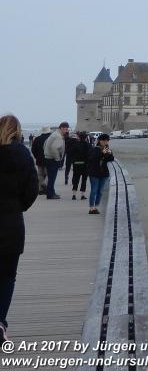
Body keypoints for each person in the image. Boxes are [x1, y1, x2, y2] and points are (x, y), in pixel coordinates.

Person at [0, 113, 39, 342]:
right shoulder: (22, 154)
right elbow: (32, 189)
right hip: (11, 224)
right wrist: (18, 206)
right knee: (6, 277)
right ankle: (0, 321)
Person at [86, 135, 114, 215]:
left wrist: (109, 153)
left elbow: (111, 159)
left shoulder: (107, 148)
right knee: (94, 190)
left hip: (104, 173)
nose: (105, 142)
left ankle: (96, 206)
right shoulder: (95, 149)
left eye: (107, 140)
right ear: (99, 140)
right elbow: (92, 159)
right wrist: (102, 153)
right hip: (94, 173)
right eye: (104, 140)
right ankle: (91, 208)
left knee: (100, 191)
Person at [43, 122, 69, 199]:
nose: (66, 130)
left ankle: (51, 192)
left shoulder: (54, 134)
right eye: (64, 129)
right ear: (60, 128)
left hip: (49, 158)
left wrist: (47, 153)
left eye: (67, 129)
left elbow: (45, 144)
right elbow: (54, 148)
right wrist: (57, 159)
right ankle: (50, 194)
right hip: (52, 159)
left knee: (51, 177)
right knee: (52, 178)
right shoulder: (58, 136)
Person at [68, 132, 90, 201]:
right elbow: (90, 155)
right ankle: (82, 195)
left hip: (77, 164)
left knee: (76, 179)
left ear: (79, 137)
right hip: (85, 165)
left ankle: (74, 195)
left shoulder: (75, 144)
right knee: (84, 180)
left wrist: (73, 161)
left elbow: (70, 152)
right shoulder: (88, 145)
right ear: (86, 138)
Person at [30, 129, 48, 195]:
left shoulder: (37, 139)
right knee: (48, 174)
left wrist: (36, 156)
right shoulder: (50, 138)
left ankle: (40, 189)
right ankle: (45, 184)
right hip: (48, 159)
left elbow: (33, 149)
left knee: (40, 174)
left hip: (39, 159)